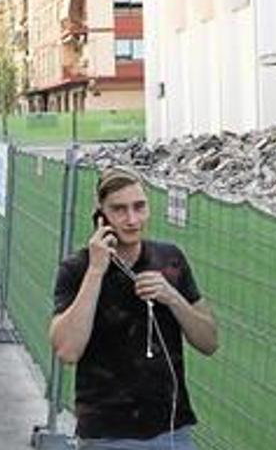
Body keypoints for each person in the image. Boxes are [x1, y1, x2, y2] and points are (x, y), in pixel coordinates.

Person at [50, 166, 218, 450]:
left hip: (171, 431)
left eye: (139, 207)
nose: (131, 219)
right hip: (107, 434)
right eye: (119, 209)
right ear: (101, 215)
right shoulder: (76, 269)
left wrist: (173, 297)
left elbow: (209, 342)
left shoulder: (170, 260)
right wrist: (95, 271)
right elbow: (67, 351)